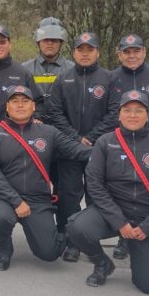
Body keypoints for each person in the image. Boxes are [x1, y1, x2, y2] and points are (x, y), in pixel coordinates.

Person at [67, 90, 149, 294]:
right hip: (114, 212)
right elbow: (95, 184)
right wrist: (119, 222)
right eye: (127, 110)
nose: (132, 115)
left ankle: (140, 253)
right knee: (78, 227)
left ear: (148, 115)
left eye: (139, 110)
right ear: (119, 115)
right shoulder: (105, 142)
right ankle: (102, 263)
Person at [0, 85, 92, 271]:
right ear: (7, 107)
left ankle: (64, 235)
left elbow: (75, 150)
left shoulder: (48, 132)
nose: (20, 105)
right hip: (5, 198)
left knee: (49, 253)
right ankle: (4, 249)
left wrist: (106, 153)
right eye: (15, 102)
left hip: (37, 200)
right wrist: (16, 201)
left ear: (33, 106)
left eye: (25, 101)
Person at [46, 32, 118, 262]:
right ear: (74, 52)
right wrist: (75, 137)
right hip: (68, 149)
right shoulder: (63, 78)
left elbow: (116, 112)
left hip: (100, 149)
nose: (85, 54)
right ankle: (71, 240)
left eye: (90, 49)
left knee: (96, 195)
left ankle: (91, 239)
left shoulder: (109, 78)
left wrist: (93, 137)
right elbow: (54, 112)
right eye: (80, 49)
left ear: (97, 52)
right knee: (68, 195)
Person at [109, 33, 149, 259]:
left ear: (144, 52)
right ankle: (123, 239)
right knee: (123, 192)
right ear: (119, 55)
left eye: (136, 51)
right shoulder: (111, 78)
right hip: (121, 146)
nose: (132, 55)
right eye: (127, 51)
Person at [22, 17, 74, 94]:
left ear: (61, 43)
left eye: (54, 39)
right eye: (45, 39)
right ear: (38, 42)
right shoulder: (25, 69)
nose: (50, 43)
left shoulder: (72, 69)